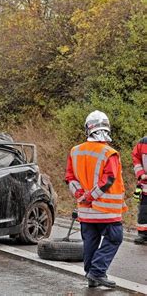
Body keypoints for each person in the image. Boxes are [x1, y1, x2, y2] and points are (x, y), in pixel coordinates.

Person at [65, 110, 127, 289]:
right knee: (115, 238)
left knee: (90, 241)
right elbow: (108, 180)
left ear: (88, 129)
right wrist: (91, 196)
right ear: (106, 128)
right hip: (106, 210)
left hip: (86, 211)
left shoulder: (75, 151)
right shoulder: (110, 153)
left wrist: (80, 195)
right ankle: (98, 271)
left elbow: (70, 178)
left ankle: (91, 274)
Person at [132, 136, 147, 245]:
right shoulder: (143, 142)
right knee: (144, 210)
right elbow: (136, 158)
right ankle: (143, 235)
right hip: (145, 184)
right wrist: (141, 174)